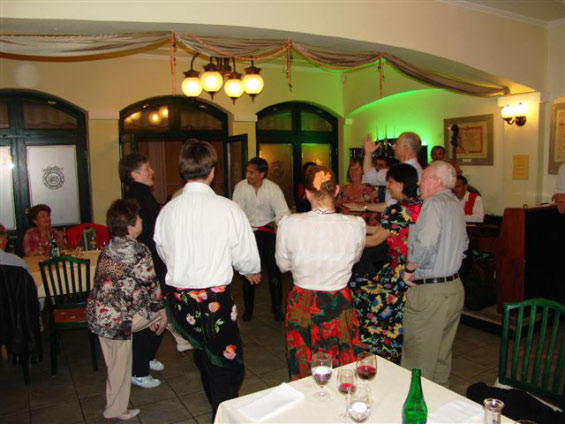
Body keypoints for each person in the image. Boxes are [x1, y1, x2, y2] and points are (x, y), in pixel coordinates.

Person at [154, 139, 261, 419]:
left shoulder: (168, 211)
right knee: (229, 365)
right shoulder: (227, 208)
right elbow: (245, 254)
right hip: (213, 300)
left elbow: (163, 252)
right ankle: (221, 414)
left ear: (183, 170)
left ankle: (216, 402)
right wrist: (249, 269)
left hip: (181, 300)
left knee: (204, 353)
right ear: (212, 171)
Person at [276, 165, 365, 380]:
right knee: (341, 362)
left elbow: (283, 265)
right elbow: (355, 259)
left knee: (304, 362)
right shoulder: (355, 225)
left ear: (307, 194)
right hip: (338, 300)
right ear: (337, 191)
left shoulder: (289, 224)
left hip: (302, 300)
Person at [87, 199, 167, 421]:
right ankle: (115, 410)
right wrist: (161, 314)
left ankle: (114, 409)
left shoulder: (109, 247)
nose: (142, 220)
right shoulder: (138, 249)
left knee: (116, 366)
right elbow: (152, 286)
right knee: (167, 310)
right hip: (118, 320)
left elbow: (124, 286)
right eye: (138, 218)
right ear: (130, 226)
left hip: (99, 315)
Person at [401, 160, 468, 387]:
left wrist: (410, 268)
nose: (419, 183)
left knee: (417, 359)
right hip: (454, 288)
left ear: (436, 182)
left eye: (423, 177)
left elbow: (426, 243)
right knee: (440, 357)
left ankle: (414, 406)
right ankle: (439, 403)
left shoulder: (433, 204)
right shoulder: (455, 204)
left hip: (431, 292)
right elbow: (464, 244)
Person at [349, 164, 422, 364]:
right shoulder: (419, 205)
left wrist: (346, 241)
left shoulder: (398, 210)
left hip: (399, 271)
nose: (388, 187)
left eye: (390, 182)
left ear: (401, 183)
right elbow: (383, 230)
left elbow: (375, 239)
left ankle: (378, 350)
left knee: (360, 291)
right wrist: (356, 226)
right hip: (415, 267)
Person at [118, 153, 172, 383]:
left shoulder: (142, 194)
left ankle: (147, 357)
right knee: (147, 314)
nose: (153, 171)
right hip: (144, 265)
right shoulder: (134, 198)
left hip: (153, 262)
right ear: (134, 174)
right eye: (147, 168)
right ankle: (138, 371)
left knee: (158, 311)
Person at [233, 157, 290, 321]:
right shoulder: (240, 188)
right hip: (248, 233)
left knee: (274, 272)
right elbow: (237, 214)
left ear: (261, 174)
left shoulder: (273, 189)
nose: (247, 175)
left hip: (267, 232)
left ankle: (277, 309)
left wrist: (281, 234)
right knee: (248, 272)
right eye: (247, 172)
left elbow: (283, 214)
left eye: (251, 172)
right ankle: (248, 310)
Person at [336, 157, 380, 226]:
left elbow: (376, 214)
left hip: (364, 228)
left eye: (357, 169)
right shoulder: (342, 190)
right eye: (351, 169)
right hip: (343, 227)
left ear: (363, 171)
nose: (354, 171)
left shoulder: (370, 190)